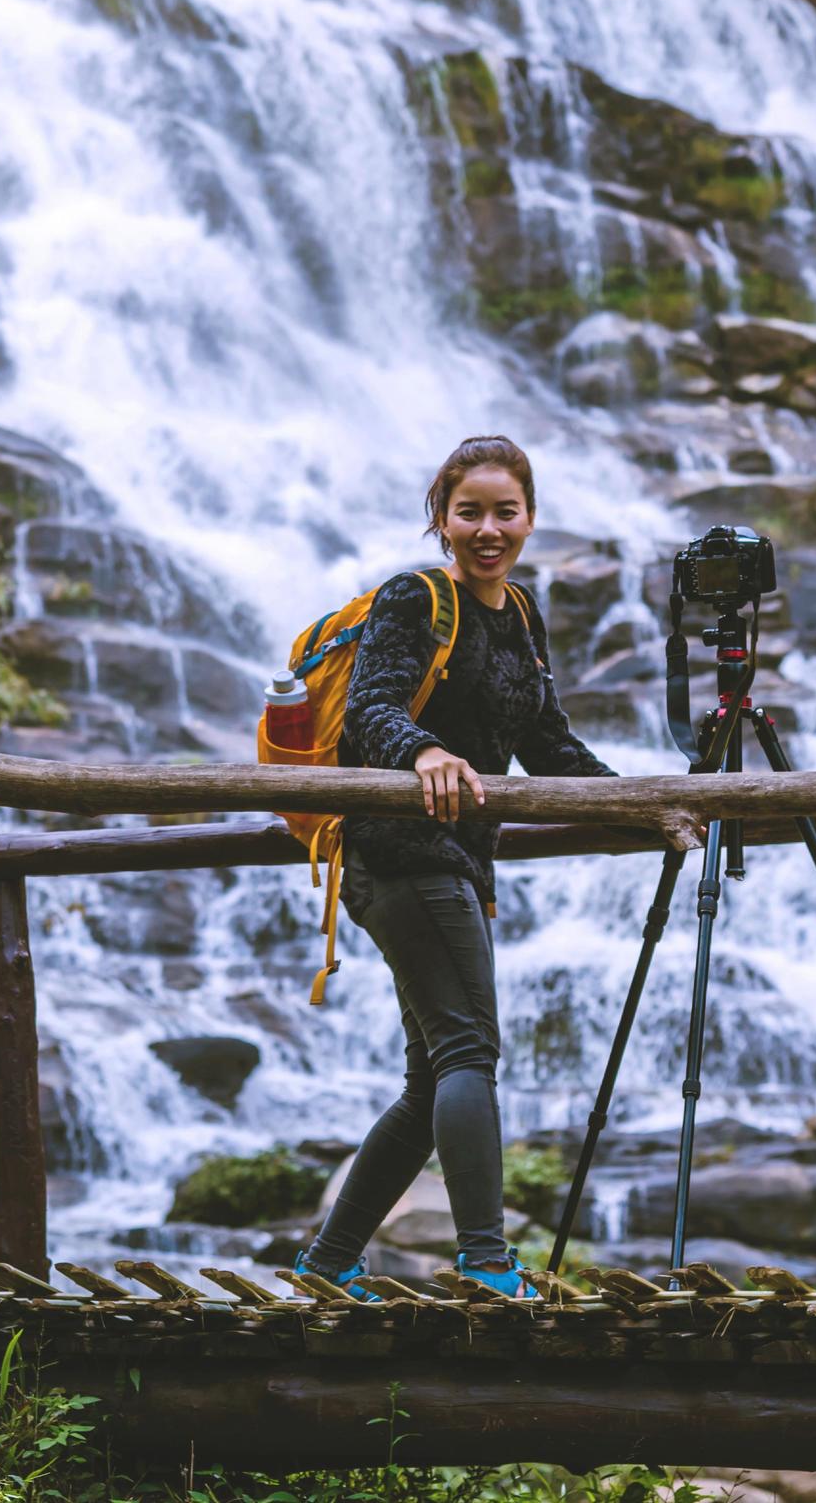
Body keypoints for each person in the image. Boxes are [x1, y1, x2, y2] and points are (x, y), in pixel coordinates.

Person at [296, 435, 616, 1300]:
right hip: (398, 853)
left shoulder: (520, 611)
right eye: (468, 511)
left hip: (458, 863)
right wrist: (426, 749)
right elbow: (371, 709)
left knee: (433, 1075)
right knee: (472, 1049)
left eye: (503, 512)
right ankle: (485, 1260)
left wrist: (639, 799)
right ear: (441, 519)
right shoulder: (415, 598)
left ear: (530, 518)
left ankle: (327, 1264)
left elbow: (545, 740)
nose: (487, 528)